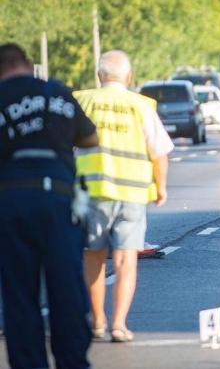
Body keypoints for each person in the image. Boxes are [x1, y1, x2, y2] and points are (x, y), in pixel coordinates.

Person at [0, 43, 98, 369]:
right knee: (66, 288)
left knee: (19, 294)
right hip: (59, 199)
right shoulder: (57, 92)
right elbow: (90, 139)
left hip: (11, 203)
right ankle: (73, 361)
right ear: (29, 64)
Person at [75, 50, 174, 343]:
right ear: (129, 77)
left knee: (92, 257)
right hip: (132, 193)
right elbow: (159, 153)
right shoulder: (140, 105)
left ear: (99, 76)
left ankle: (97, 322)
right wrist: (161, 187)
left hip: (91, 192)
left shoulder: (83, 101)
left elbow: (65, 147)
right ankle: (119, 325)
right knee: (125, 260)